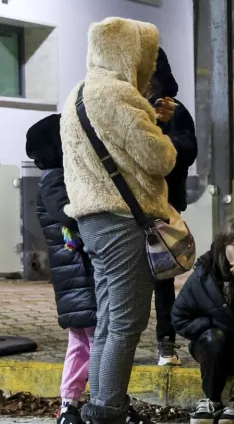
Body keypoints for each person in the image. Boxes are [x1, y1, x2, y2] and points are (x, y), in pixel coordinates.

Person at [61, 17, 176, 424]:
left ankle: (104, 404)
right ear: (129, 53)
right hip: (124, 221)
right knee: (127, 321)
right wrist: (163, 134)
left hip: (92, 222)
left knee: (110, 318)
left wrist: (149, 117)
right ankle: (107, 410)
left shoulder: (78, 93)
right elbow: (158, 158)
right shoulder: (117, 95)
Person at [26, 114, 97, 424]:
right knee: (99, 341)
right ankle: (108, 400)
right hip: (78, 277)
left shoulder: (57, 175)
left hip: (75, 277)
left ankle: (70, 403)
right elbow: (66, 213)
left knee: (81, 342)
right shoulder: (55, 178)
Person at [172, 216, 234, 424]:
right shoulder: (205, 274)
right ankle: (212, 400)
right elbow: (179, 318)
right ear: (223, 246)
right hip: (217, 349)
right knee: (213, 337)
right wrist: (215, 324)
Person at [147, 48, 198, 367]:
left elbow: (187, 149)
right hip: (127, 205)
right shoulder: (129, 104)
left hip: (161, 204)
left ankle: (166, 340)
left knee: (163, 274)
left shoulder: (173, 110)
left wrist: (156, 148)